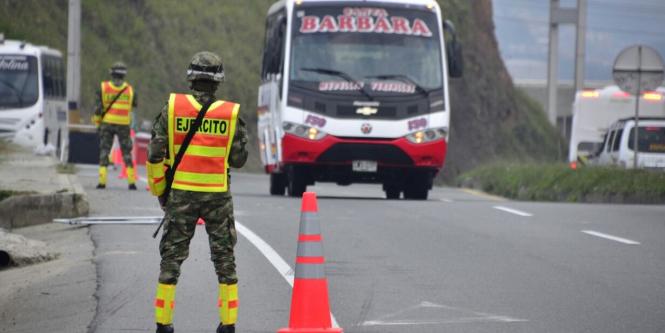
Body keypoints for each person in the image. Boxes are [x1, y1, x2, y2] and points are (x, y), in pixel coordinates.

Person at [146, 51, 248, 333]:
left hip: (180, 196)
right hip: (217, 197)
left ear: (191, 77)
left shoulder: (173, 107)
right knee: (225, 261)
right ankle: (227, 325)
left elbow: (155, 152)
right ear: (218, 80)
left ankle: (163, 324)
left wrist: (160, 190)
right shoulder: (230, 114)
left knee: (171, 261)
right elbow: (239, 160)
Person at [92, 61, 138, 190]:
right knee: (126, 152)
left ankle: (102, 181)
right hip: (123, 124)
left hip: (107, 123)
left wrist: (97, 123)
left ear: (111, 73)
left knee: (105, 150)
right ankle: (131, 182)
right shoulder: (130, 90)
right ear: (124, 75)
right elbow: (134, 106)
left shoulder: (103, 87)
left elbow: (98, 109)